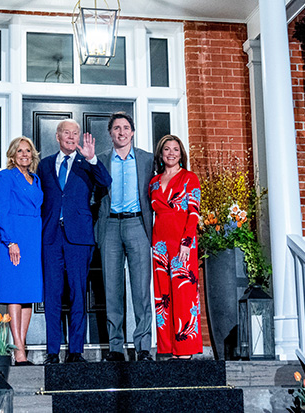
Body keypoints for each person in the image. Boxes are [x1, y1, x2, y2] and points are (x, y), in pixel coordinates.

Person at [37, 119, 112, 364]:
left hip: (78, 238)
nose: (71, 137)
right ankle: (51, 351)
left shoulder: (86, 163)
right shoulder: (45, 165)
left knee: (78, 293)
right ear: (57, 136)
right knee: (52, 294)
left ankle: (76, 351)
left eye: (75, 133)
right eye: (66, 133)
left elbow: (105, 182)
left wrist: (92, 159)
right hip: (50, 237)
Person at [95, 112, 153, 362]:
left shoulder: (147, 160)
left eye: (126, 127)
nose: (121, 132)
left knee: (141, 289)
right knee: (112, 288)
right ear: (110, 133)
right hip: (110, 226)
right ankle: (116, 347)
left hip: (137, 224)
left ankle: (143, 346)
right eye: (116, 128)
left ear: (133, 132)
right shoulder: (99, 160)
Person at [149, 135, 203, 359]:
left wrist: (187, 243)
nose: (171, 154)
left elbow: (194, 212)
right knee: (163, 297)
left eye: (176, 150)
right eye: (167, 150)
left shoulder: (190, 178)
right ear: (161, 154)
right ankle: (168, 348)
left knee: (183, 294)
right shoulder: (153, 182)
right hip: (160, 243)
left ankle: (185, 349)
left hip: (182, 242)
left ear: (181, 154)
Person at [0, 136, 43, 366]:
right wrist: (11, 241)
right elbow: (1, 211)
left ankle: (19, 346)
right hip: (14, 239)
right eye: (20, 151)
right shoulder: (5, 177)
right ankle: (19, 350)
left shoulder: (36, 179)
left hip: (33, 238)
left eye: (28, 151)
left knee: (29, 295)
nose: (25, 154)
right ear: (12, 155)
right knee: (14, 292)